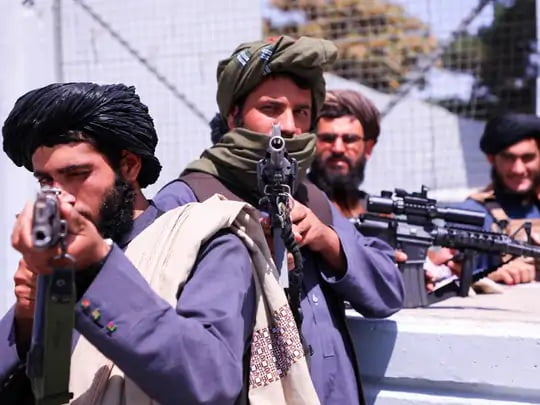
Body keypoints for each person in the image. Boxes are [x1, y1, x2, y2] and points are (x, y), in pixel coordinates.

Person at [153, 35, 404, 405]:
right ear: (234, 115)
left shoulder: (312, 199)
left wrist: (327, 241)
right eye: (271, 108)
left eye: (301, 112)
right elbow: (155, 328)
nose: (287, 126)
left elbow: (388, 292)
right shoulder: (187, 198)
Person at [0, 82, 266, 404]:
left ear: (128, 166)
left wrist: (97, 272)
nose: (61, 197)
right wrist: (27, 318)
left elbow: (210, 383)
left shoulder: (206, 239)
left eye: (76, 174)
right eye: (46, 181)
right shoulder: (58, 255)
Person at [458, 113, 540, 285]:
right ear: (491, 158)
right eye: (508, 158)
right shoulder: (471, 216)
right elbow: (444, 274)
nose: (518, 169)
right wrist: (487, 275)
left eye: (528, 157)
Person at [308, 89, 379, 218]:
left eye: (349, 139)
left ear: (368, 148)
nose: (338, 149)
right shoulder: (294, 205)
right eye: (328, 139)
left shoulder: (379, 213)